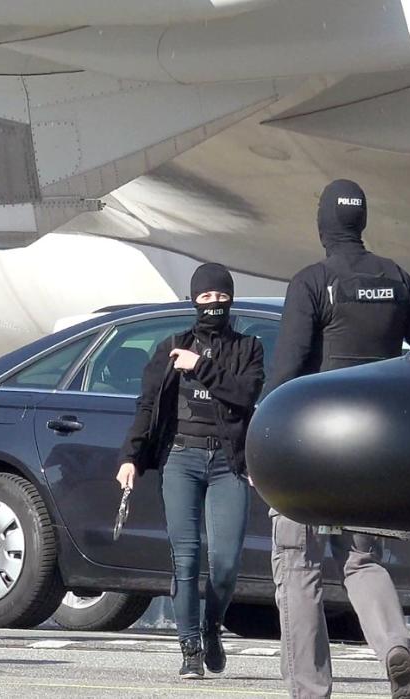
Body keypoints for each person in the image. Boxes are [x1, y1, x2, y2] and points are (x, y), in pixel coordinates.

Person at [265, 179, 410, 699]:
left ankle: (310, 689)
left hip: (311, 447)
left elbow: (289, 368)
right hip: (376, 450)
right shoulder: (400, 281)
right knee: (361, 560)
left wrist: (262, 443)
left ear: (324, 224)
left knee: (298, 565)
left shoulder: (312, 281)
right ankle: (394, 646)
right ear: (361, 221)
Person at [115, 263, 264, 679]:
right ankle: (190, 648)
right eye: (205, 297)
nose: (213, 304)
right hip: (180, 459)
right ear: (193, 301)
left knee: (226, 561)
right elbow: (146, 407)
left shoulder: (248, 348)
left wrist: (200, 366)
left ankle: (214, 625)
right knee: (186, 558)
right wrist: (131, 457)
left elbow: (244, 395)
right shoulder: (169, 348)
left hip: (227, 463)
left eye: (220, 297)